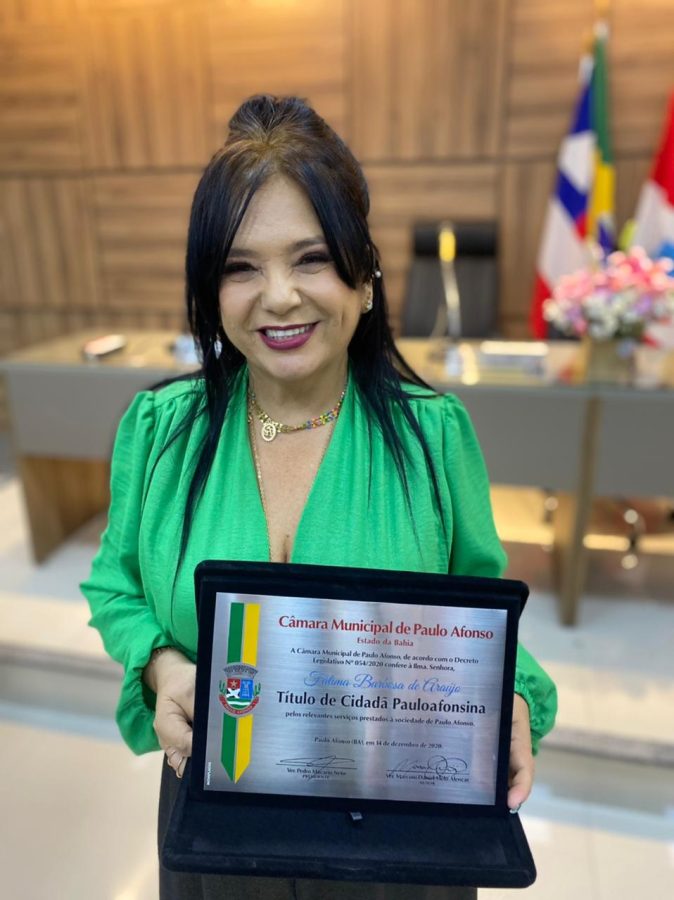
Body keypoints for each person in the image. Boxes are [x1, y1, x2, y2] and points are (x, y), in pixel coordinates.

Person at [81, 94, 557, 900]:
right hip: (217, 818)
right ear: (210, 290)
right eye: (240, 267)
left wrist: (507, 693)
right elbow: (115, 585)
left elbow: (479, 618)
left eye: (310, 259)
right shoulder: (161, 431)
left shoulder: (434, 437)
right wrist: (163, 667)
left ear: (364, 278)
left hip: (398, 828)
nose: (278, 297)